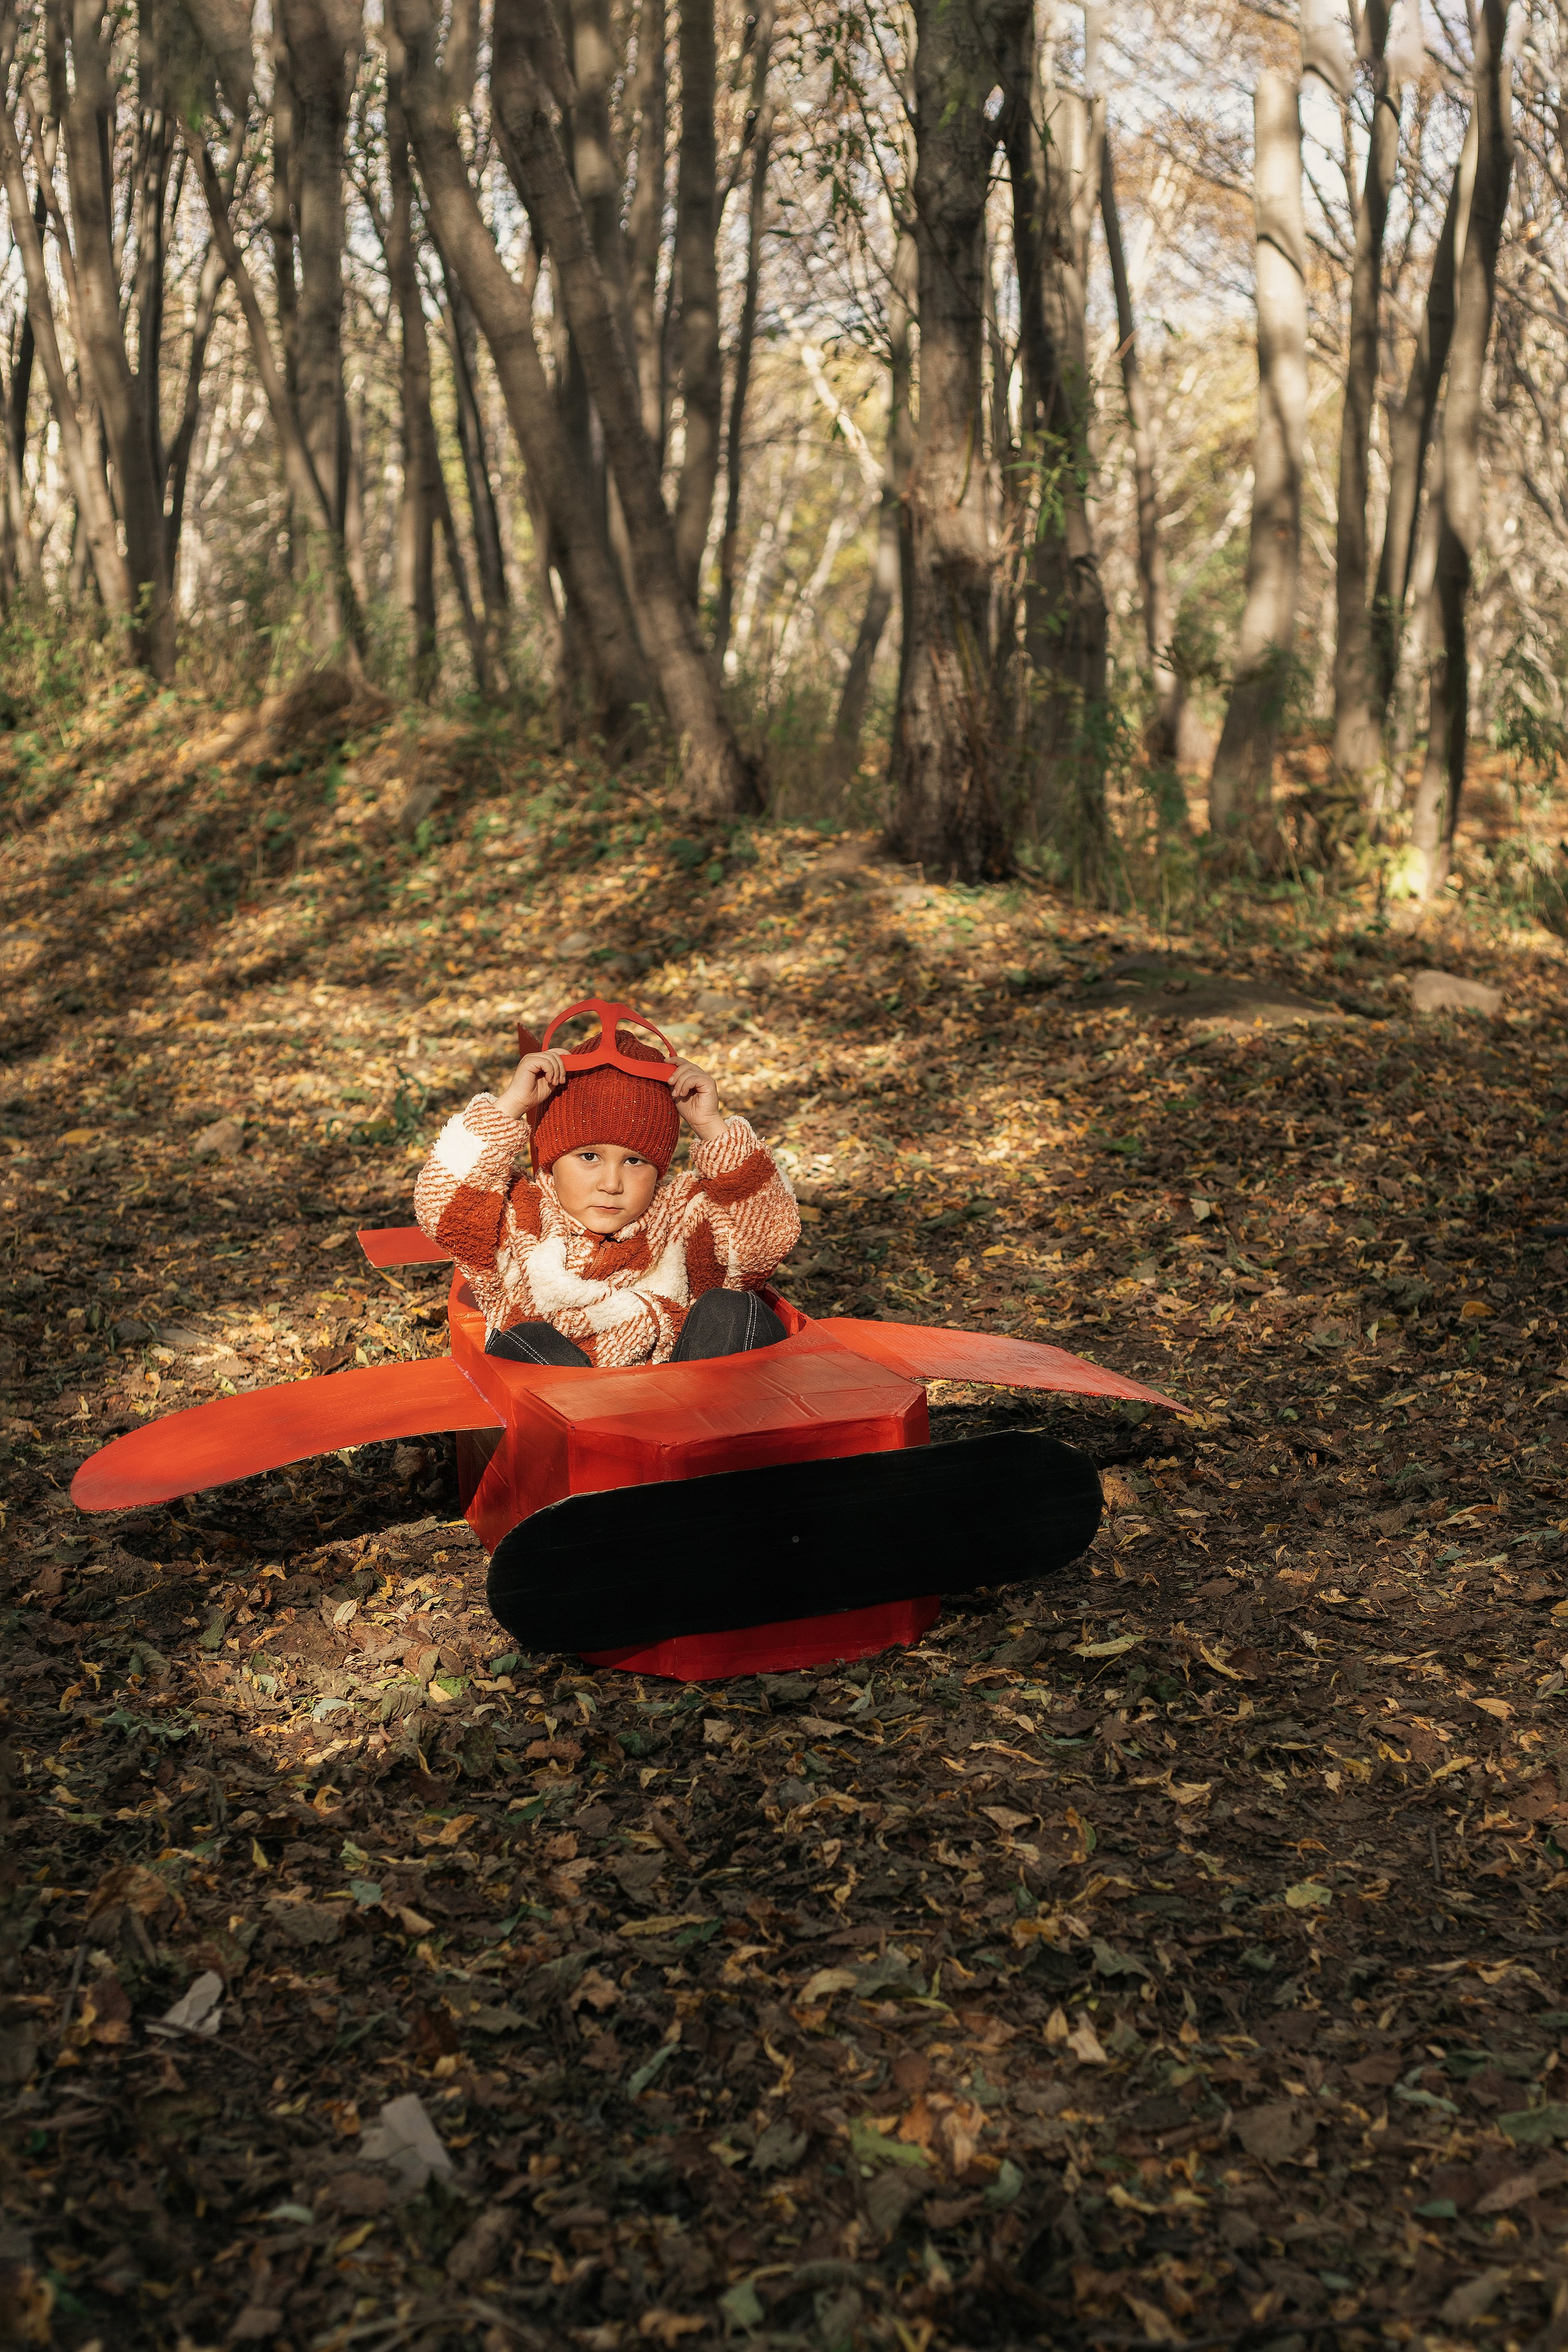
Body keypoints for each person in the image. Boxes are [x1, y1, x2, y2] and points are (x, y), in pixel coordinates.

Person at [413, 1019, 801, 1367]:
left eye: (634, 1162)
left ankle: (722, 1442)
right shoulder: (520, 1216)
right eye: (589, 1157)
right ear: (553, 1159)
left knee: (735, 1309)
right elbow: (442, 1206)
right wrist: (510, 1107)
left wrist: (711, 1126)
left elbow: (766, 1237)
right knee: (526, 1340)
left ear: (658, 1169)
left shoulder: (678, 1215)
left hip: (684, 1406)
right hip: (564, 1413)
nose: (611, 1184)